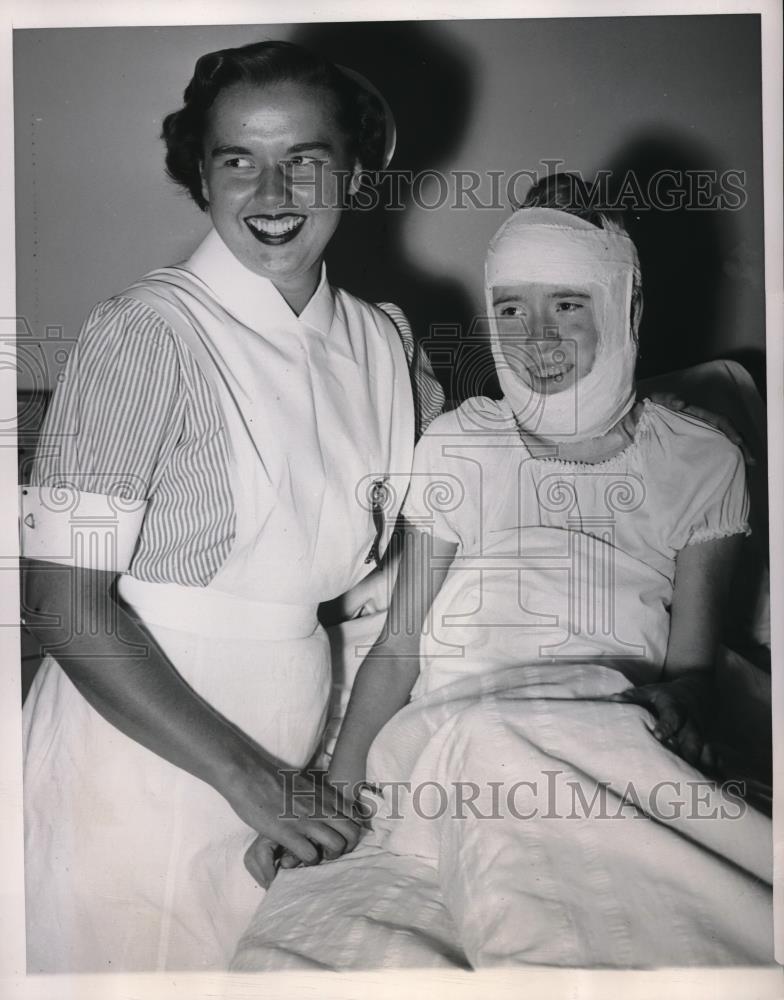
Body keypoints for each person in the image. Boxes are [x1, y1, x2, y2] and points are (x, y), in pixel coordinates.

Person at [19, 39, 444, 973]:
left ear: (356, 171)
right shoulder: (143, 335)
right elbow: (61, 602)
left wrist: (335, 764)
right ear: (201, 179)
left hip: (296, 727)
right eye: (236, 161)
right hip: (131, 751)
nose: (272, 192)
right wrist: (249, 780)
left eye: (306, 159)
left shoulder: (386, 344)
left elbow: (442, 540)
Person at [313, 189, 772, 966]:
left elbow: (692, 674)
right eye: (512, 309)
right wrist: (332, 793)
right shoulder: (460, 445)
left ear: (624, 306)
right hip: (457, 728)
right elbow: (397, 647)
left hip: (613, 720)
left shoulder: (703, 458)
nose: (536, 339)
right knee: (490, 742)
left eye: (567, 305)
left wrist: (678, 712)